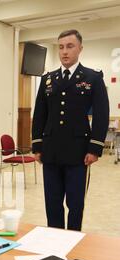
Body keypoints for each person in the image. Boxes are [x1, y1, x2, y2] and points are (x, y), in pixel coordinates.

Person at [32, 29, 109, 231]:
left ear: (80, 49)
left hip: (78, 152)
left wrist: (94, 148)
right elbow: (40, 114)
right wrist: (37, 146)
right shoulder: (48, 79)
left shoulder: (92, 78)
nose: (64, 51)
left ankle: (73, 239)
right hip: (50, 151)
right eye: (61, 47)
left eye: (70, 46)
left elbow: (101, 114)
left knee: (75, 204)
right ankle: (55, 240)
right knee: (52, 202)